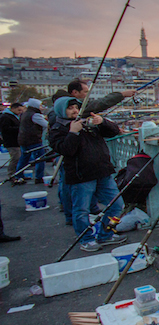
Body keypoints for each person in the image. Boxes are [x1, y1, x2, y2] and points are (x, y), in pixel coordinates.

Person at [48, 97, 127, 252]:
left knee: (117, 205)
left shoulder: (87, 123)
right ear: (61, 110)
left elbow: (113, 131)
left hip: (103, 171)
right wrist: (73, 132)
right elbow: (66, 150)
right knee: (81, 211)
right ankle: (86, 239)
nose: (74, 110)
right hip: (81, 176)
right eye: (70, 108)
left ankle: (107, 234)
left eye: (76, 107)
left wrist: (102, 122)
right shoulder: (57, 129)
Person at [15, 98, 48, 185]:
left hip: (23, 139)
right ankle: (39, 177)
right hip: (34, 140)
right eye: (40, 105)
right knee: (40, 159)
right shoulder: (35, 115)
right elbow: (46, 125)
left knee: (24, 158)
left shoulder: (24, 114)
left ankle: (18, 176)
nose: (41, 107)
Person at [0, 102, 25, 182]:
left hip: (16, 141)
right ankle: (11, 174)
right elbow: (5, 129)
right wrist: (19, 128)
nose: (20, 112)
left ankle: (17, 174)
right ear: (13, 108)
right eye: (19, 110)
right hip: (11, 141)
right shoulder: (6, 117)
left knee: (17, 158)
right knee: (15, 158)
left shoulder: (13, 116)